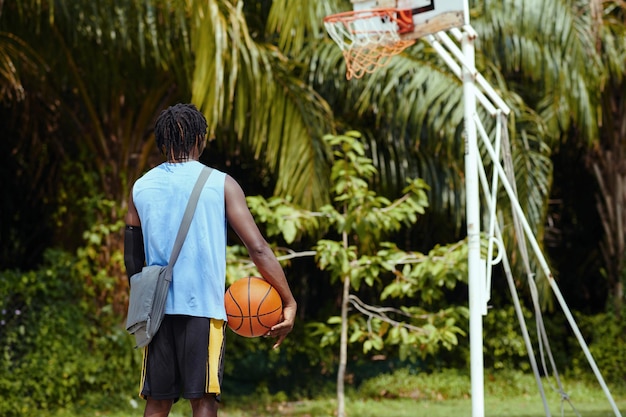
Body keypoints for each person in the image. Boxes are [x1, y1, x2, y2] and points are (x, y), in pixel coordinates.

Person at [123, 103, 297, 417]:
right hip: (202, 308)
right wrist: (288, 299)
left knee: (157, 400)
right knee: (203, 400)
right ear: (200, 139)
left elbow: (132, 255)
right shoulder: (221, 184)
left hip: (157, 310)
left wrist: (143, 301)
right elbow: (257, 248)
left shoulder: (141, 187)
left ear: (163, 141)